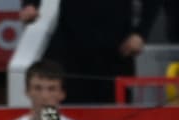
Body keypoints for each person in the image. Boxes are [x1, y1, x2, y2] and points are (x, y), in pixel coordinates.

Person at [19, 1, 156, 104]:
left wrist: (141, 33)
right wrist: (30, 4)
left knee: (113, 115)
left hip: (115, 51)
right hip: (70, 45)